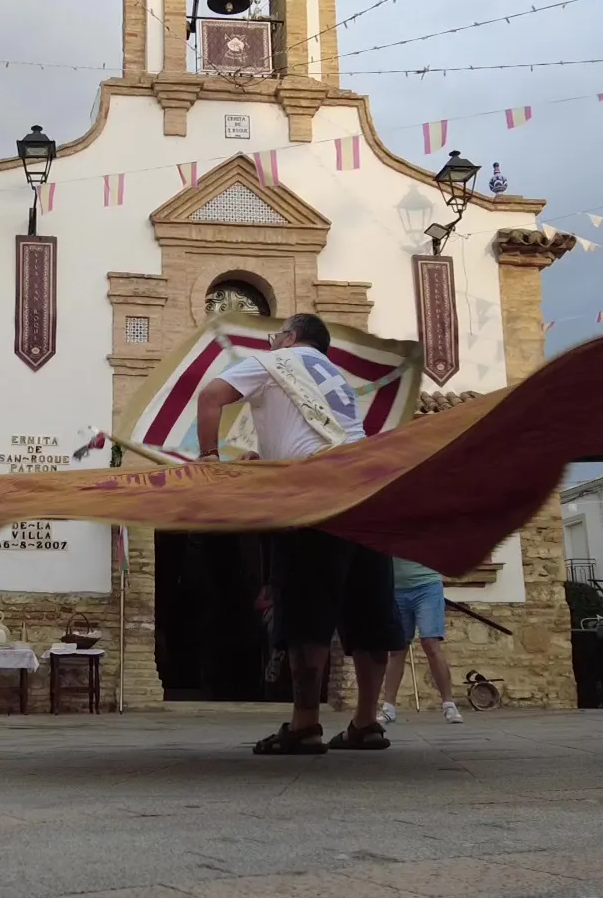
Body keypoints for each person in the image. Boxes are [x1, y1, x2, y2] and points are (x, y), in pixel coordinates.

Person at [195, 313, 406, 754]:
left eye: (278, 337)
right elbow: (309, 436)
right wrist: (265, 458)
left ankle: (305, 723)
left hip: (316, 496)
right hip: (366, 491)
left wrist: (210, 458)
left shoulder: (276, 362)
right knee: (368, 609)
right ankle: (366, 721)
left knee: (306, 612)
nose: (274, 344)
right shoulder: (336, 379)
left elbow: (210, 396)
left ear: (290, 338)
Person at [379, 557, 464, 725]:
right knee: (397, 648)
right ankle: (388, 707)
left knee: (430, 643)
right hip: (396, 588)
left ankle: (449, 705)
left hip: (427, 585)